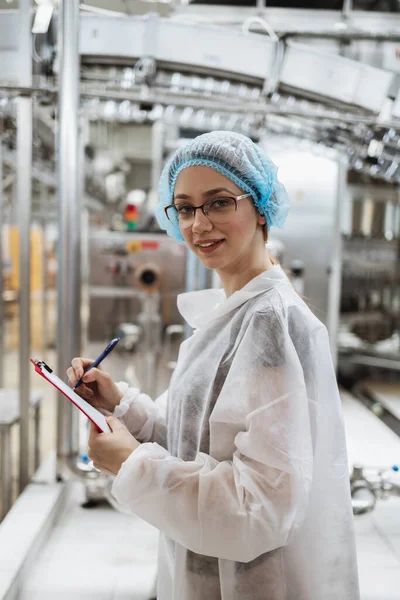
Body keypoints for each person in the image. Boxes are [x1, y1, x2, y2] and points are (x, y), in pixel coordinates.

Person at [67, 131, 360, 600]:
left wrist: (130, 463)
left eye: (219, 202)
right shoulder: (229, 315)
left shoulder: (268, 322)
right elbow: (199, 440)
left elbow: (259, 508)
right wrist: (122, 407)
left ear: (262, 207)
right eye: (184, 208)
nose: (198, 224)